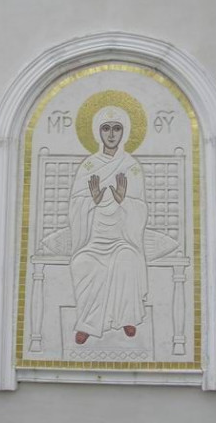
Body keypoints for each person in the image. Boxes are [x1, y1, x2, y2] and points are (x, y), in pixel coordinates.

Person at [68, 106, 148, 345]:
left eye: (116, 128)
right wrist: (90, 202)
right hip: (93, 240)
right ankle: (87, 324)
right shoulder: (89, 166)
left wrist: (125, 201)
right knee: (84, 263)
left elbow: (140, 208)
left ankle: (127, 317)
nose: (111, 134)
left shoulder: (131, 166)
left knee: (127, 259)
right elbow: (75, 205)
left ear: (124, 132)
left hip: (122, 239)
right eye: (106, 128)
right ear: (97, 132)